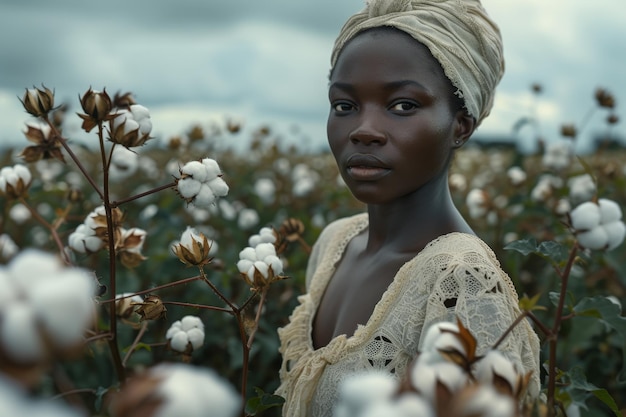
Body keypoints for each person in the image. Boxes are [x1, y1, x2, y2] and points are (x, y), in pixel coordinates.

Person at [276, 1, 541, 416]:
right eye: (345, 106)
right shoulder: (335, 244)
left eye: (403, 105)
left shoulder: (463, 282)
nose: (363, 130)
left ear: (461, 125)